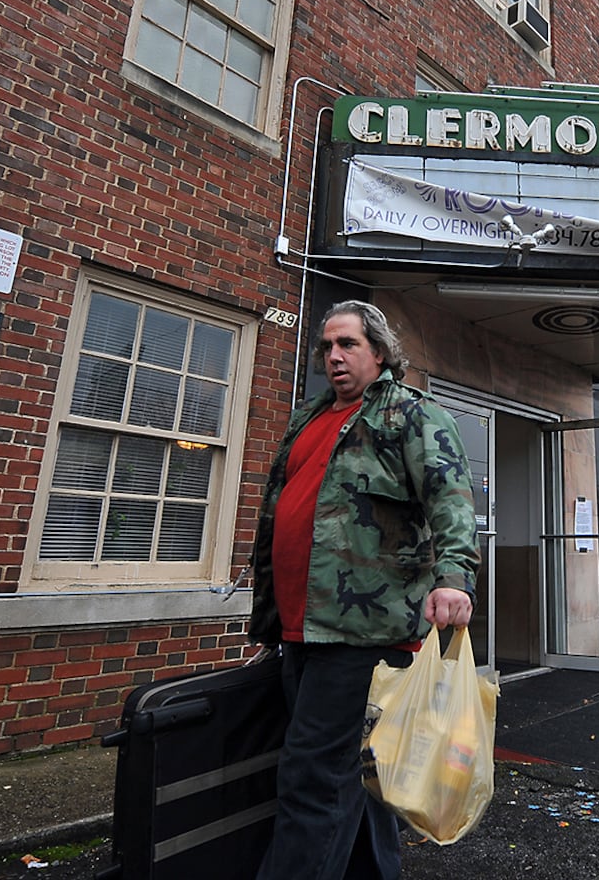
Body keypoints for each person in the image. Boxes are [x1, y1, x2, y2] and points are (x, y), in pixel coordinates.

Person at [250, 300, 480, 880]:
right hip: (302, 625)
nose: (334, 357)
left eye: (347, 344)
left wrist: (455, 580)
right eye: (327, 346)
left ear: (379, 351)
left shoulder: (409, 414)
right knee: (361, 774)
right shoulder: (310, 417)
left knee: (311, 778)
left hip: (362, 633)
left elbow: (450, 500)